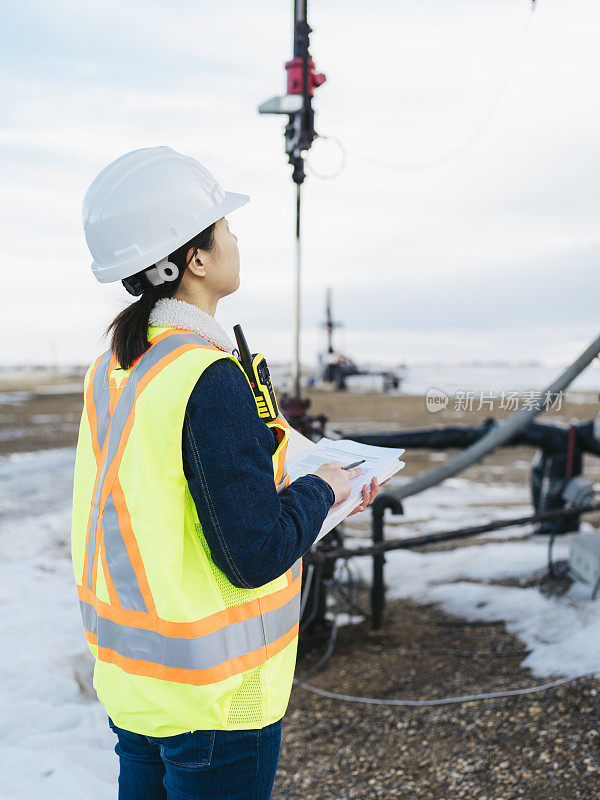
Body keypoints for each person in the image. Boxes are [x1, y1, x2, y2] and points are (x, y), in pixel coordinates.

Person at [71, 146, 379, 800]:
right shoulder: (207, 376)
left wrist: (322, 494)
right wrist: (327, 488)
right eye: (225, 227)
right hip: (216, 698)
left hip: (137, 686)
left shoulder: (115, 369)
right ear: (197, 259)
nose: (236, 237)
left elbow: (169, 501)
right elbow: (254, 552)